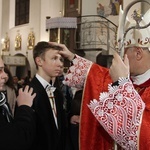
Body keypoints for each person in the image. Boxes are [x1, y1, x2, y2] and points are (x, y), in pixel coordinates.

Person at [49, 8, 150, 150]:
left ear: (138, 53)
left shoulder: (128, 83)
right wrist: (72, 57)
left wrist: (121, 84)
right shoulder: (129, 80)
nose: (119, 58)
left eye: (123, 52)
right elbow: (99, 77)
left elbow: (141, 138)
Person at [29, 41, 68, 150]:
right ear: (39, 61)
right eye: (54, 58)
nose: (60, 64)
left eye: (61, 59)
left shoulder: (56, 92)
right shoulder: (29, 92)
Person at [0, 56, 36, 150]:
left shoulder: (2, 101)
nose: (5, 75)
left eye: (3, 70)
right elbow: (17, 141)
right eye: (0, 70)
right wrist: (24, 107)